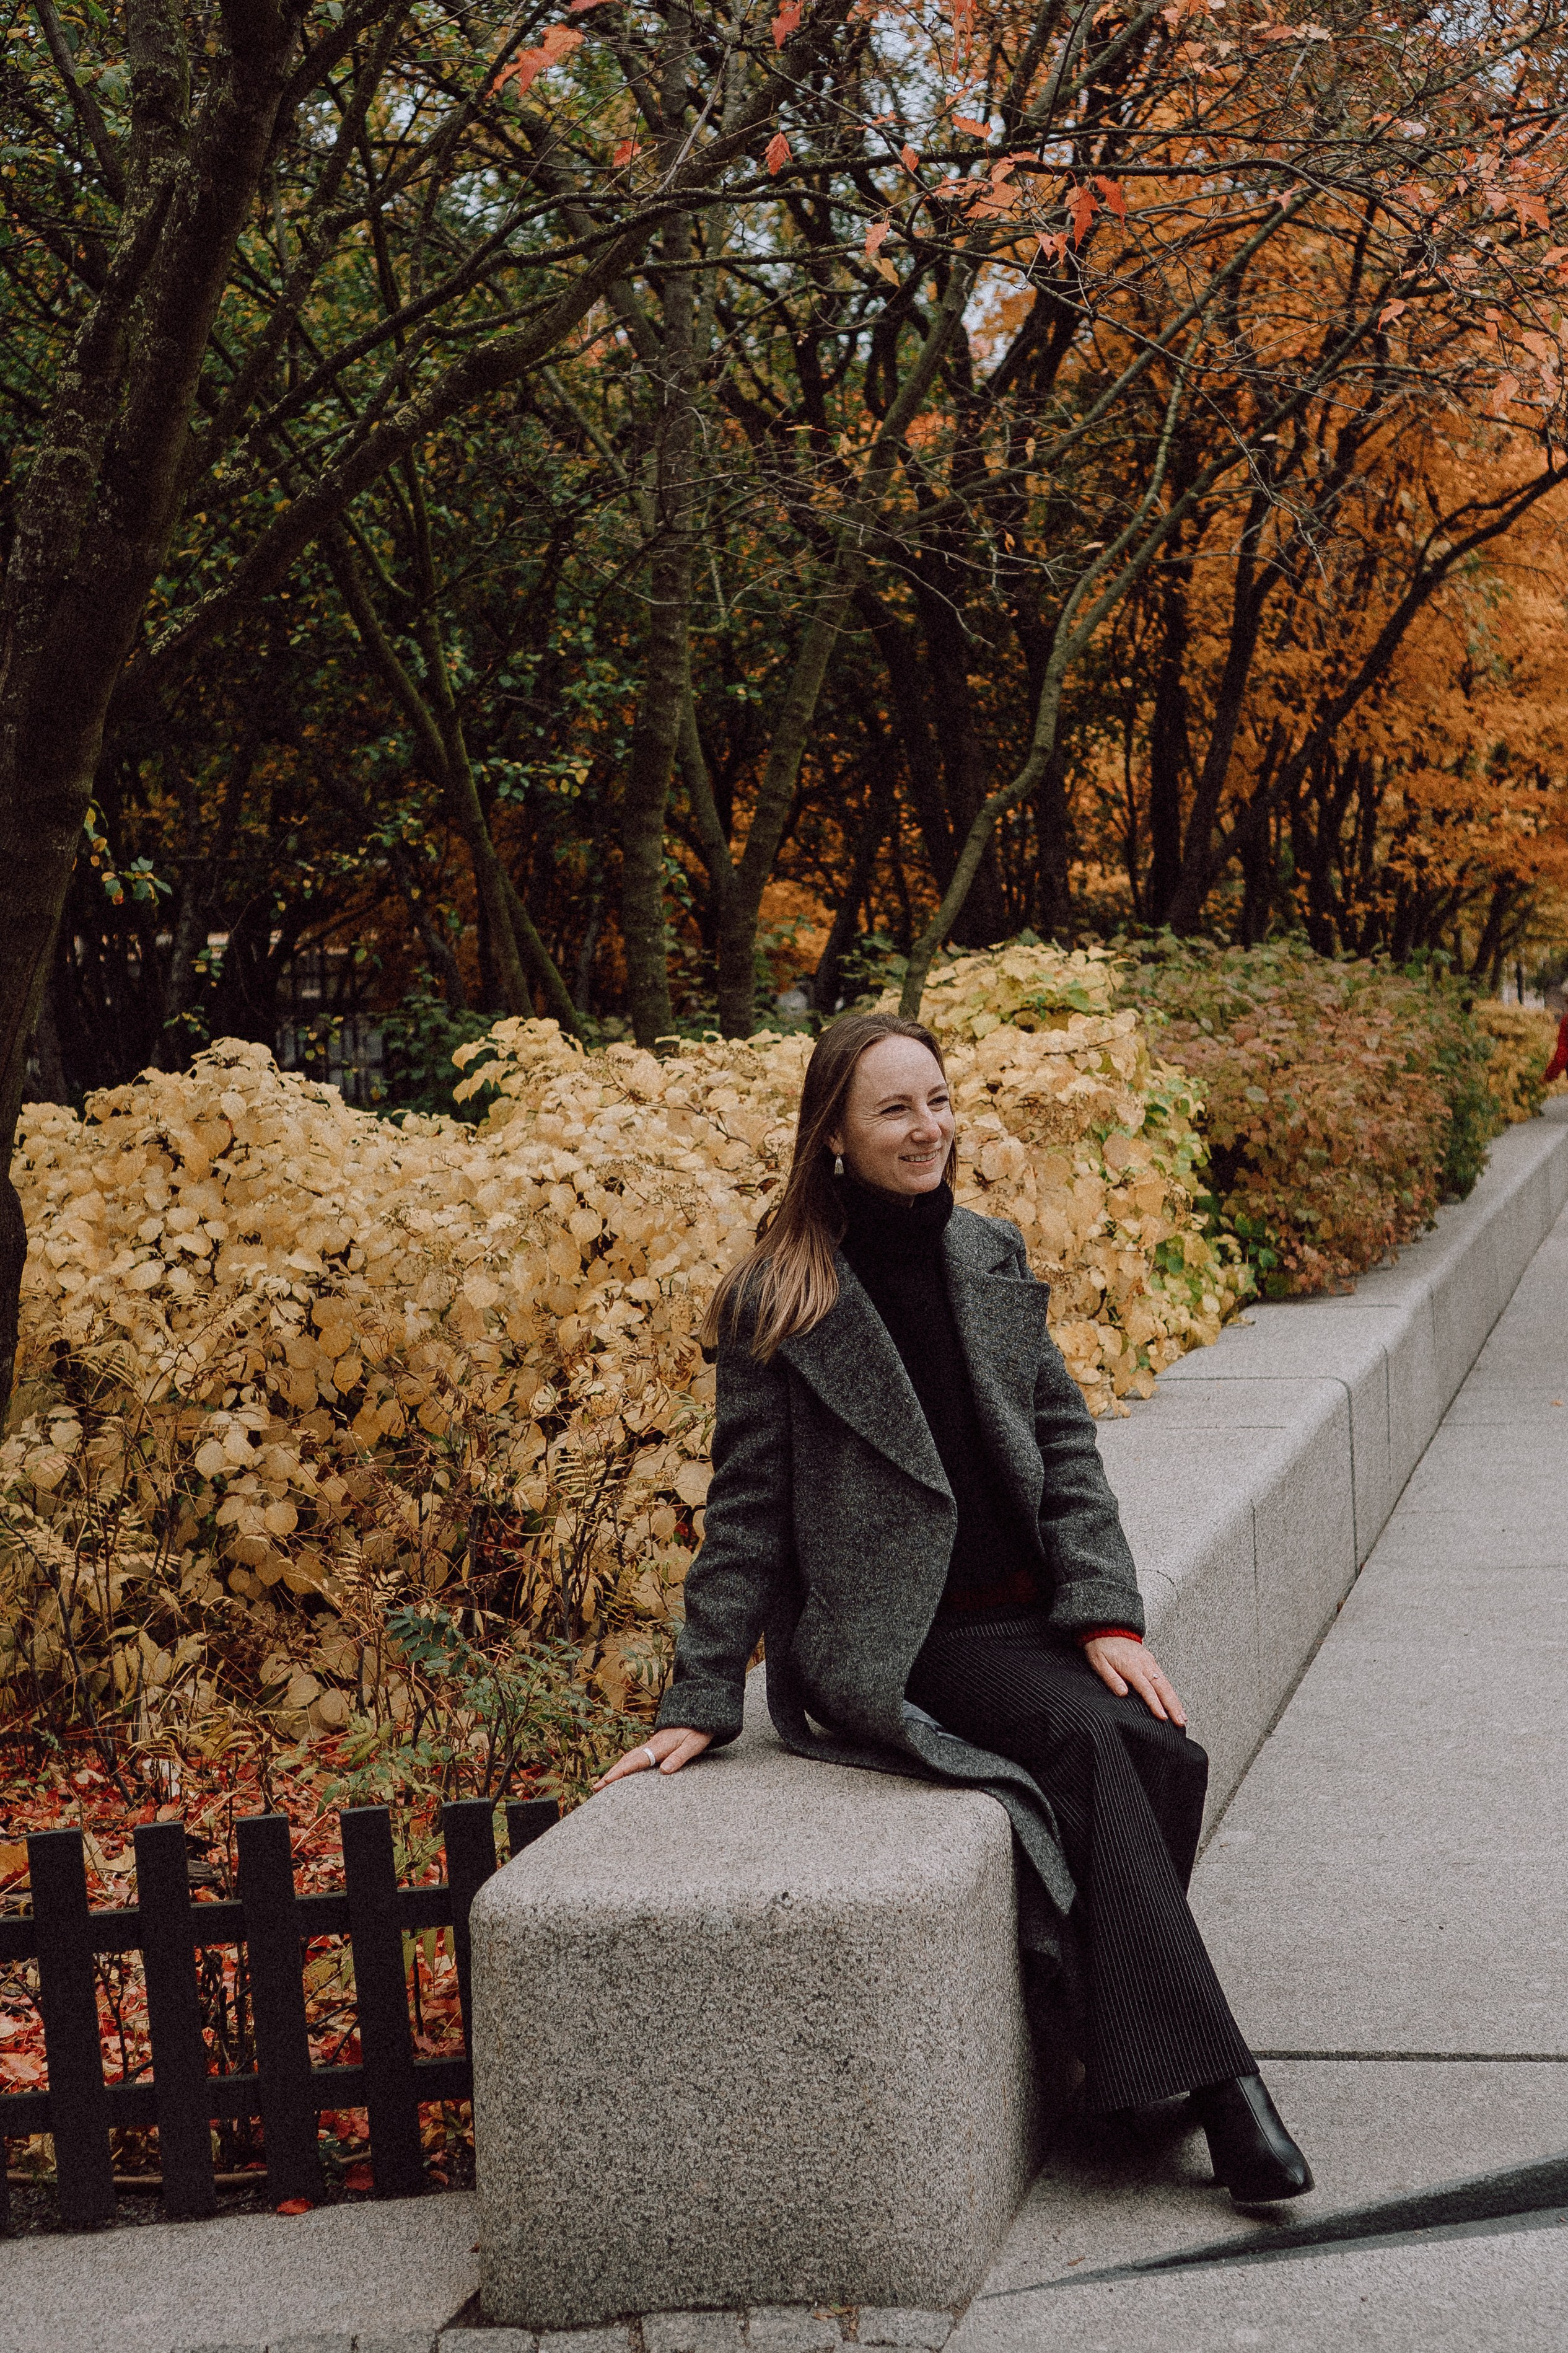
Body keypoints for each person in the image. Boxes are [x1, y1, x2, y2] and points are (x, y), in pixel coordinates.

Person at [595, 1010, 1313, 2206]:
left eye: (937, 1099)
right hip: (901, 1639)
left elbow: (1065, 1444)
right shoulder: (778, 1298)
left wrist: (1102, 1610)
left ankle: (1122, 2055)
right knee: (1091, 1740)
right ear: (833, 1134)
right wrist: (703, 1694)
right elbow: (746, 1516)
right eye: (894, 1108)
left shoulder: (988, 1250)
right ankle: (1226, 2094)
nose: (927, 1127)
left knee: (1160, 1747)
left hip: (1026, 1617)